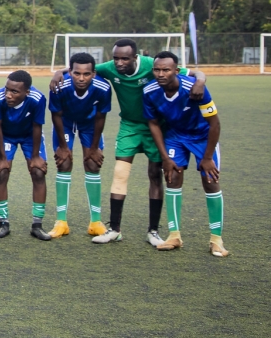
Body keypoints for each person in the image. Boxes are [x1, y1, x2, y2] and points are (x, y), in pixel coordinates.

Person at [54, 39, 206, 247]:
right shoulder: (108, 68)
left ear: (135, 58)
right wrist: (58, 73)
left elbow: (192, 72)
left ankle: (153, 231)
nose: (119, 63)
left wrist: (200, 81)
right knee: (120, 172)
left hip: (156, 126)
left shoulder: (154, 65)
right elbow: (81, 68)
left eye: (125, 58)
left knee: (154, 175)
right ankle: (114, 229)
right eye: (116, 58)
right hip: (129, 125)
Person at [143, 52, 228, 256]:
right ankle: (174, 236)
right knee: (172, 178)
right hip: (175, 137)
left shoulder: (194, 88)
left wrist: (207, 158)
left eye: (166, 70)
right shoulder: (149, 91)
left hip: (202, 137)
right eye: (157, 70)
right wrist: (165, 157)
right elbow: (153, 123)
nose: (161, 74)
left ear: (176, 70)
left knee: (210, 180)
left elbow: (214, 123)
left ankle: (216, 240)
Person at [48, 53, 113, 240]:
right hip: (66, 123)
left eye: (86, 74)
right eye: (77, 73)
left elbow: (101, 117)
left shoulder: (103, 87)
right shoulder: (59, 85)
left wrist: (93, 148)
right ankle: (61, 222)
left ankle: (96, 222)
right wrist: (63, 146)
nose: (81, 78)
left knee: (93, 164)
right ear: (70, 72)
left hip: (89, 123)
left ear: (94, 73)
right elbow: (56, 115)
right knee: (64, 163)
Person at [0, 70, 50, 241]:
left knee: (38, 172)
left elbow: (37, 127)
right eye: (7, 89)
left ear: (27, 92)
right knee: (1, 173)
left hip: (30, 136)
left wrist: (35, 157)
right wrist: (2, 158)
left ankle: (37, 225)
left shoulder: (37, 99)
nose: (8, 95)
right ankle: (3, 223)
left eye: (14, 92)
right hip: (6, 135)